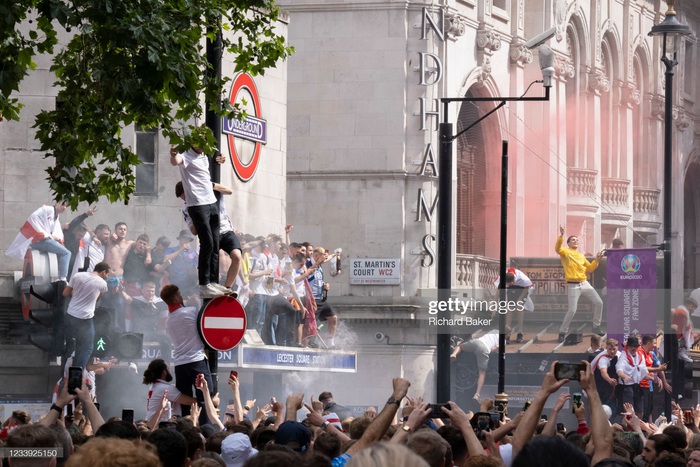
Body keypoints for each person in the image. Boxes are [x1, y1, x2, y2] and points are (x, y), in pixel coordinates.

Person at [169, 145, 224, 299]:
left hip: (211, 202)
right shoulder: (186, 155)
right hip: (197, 204)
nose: (202, 147)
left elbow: (213, 162)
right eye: (200, 143)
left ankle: (213, 281)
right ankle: (204, 284)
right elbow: (176, 161)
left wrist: (220, 159)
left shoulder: (204, 156)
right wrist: (173, 155)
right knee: (207, 242)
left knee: (215, 242)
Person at [160, 284, 214, 425]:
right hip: (196, 360)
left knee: (185, 401)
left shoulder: (168, 321)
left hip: (179, 364)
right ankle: (205, 428)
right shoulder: (192, 311)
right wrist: (196, 303)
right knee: (206, 395)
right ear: (177, 296)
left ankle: (186, 428)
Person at [555, 225, 605, 343]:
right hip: (573, 285)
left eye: (577, 240)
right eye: (573, 240)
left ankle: (596, 326)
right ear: (568, 243)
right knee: (572, 310)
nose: (575, 241)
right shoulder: (565, 252)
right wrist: (561, 235)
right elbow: (557, 248)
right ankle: (562, 331)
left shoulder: (581, 256)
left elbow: (590, 269)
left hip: (584, 283)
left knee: (599, 302)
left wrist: (597, 260)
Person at [6, 201, 71, 281]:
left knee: (62, 250)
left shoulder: (55, 216)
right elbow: (34, 218)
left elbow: (53, 230)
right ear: (57, 203)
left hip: (41, 241)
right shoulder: (48, 210)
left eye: (66, 206)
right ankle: (63, 278)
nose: (64, 208)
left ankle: (59, 275)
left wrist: (51, 236)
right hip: (41, 241)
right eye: (63, 205)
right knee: (66, 253)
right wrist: (45, 234)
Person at [62, 262, 110, 370]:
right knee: (87, 347)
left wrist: (76, 293)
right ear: (103, 272)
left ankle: (65, 371)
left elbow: (65, 293)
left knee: (70, 345)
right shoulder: (102, 283)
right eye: (108, 274)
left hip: (70, 315)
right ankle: (76, 373)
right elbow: (97, 299)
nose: (107, 277)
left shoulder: (77, 276)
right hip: (84, 319)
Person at [142, 358, 197, 424]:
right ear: (164, 372)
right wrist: (207, 400)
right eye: (168, 368)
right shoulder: (165, 388)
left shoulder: (155, 386)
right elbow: (189, 401)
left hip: (151, 423)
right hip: (159, 425)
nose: (169, 370)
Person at [449, 329, 499, 402]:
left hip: (477, 342)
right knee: (482, 373)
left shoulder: (494, 330)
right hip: (484, 349)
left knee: (460, 346)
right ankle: (477, 394)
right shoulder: (503, 340)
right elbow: (494, 349)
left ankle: (454, 354)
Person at [308, 247, 339, 348]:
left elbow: (326, 259)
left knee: (333, 317)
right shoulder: (308, 263)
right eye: (322, 258)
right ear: (316, 256)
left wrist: (334, 255)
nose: (324, 261)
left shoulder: (320, 265)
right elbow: (308, 273)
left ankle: (331, 343)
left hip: (321, 298)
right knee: (312, 322)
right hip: (311, 299)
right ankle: (309, 341)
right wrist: (318, 263)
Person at [494, 267, 534, 344]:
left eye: (509, 284)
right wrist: (494, 307)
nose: (508, 285)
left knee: (519, 307)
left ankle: (520, 332)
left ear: (514, 280)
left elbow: (526, 288)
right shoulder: (502, 279)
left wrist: (519, 299)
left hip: (522, 289)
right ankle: (507, 333)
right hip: (512, 289)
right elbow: (497, 293)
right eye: (507, 284)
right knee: (510, 307)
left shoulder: (522, 279)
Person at [615, 336, 649, 417]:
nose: (633, 348)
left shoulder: (640, 356)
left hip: (636, 386)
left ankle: (638, 427)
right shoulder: (624, 356)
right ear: (628, 347)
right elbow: (619, 370)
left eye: (635, 346)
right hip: (626, 387)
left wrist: (653, 377)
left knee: (640, 411)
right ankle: (628, 428)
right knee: (629, 412)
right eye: (631, 346)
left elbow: (642, 372)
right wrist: (624, 376)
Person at [640, 334, 671, 422]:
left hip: (649, 386)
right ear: (648, 343)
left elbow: (660, 368)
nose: (655, 346)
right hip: (639, 386)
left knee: (649, 409)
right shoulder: (639, 352)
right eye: (654, 343)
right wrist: (656, 373)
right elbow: (642, 369)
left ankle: (649, 428)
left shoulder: (652, 354)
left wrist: (664, 382)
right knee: (641, 409)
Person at [590, 338, 620, 416]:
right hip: (603, 388)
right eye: (610, 349)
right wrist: (609, 380)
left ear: (617, 348)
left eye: (614, 349)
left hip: (614, 389)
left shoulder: (619, 355)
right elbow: (603, 372)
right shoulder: (603, 358)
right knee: (606, 409)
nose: (612, 351)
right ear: (606, 348)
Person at [672, 297, 698, 363]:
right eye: (694, 308)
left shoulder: (686, 314)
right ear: (690, 306)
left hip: (680, 338)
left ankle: (682, 352)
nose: (694, 311)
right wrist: (669, 325)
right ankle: (681, 352)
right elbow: (671, 311)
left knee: (697, 334)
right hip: (676, 339)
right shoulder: (683, 311)